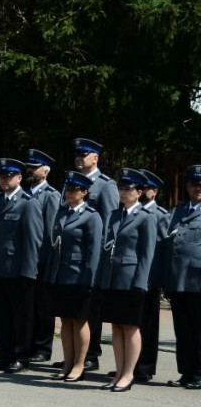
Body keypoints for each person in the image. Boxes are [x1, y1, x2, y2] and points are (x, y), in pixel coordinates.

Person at [96, 168, 156, 392]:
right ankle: (119, 371)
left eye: (128, 189)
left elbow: (146, 254)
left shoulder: (145, 218)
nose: (123, 192)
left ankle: (129, 374)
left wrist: (140, 283)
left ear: (139, 192)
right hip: (113, 279)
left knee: (130, 327)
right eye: (121, 188)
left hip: (131, 279)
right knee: (116, 327)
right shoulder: (114, 215)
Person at [0, 158, 43, 374]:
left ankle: (20, 356)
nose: (4, 179)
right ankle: (5, 354)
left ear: (19, 178)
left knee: (21, 317)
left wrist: (28, 271)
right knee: (1, 315)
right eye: (2, 176)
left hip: (19, 270)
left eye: (9, 176)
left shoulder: (28, 202)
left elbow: (33, 240)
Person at [43, 171, 102, 382]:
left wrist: (89, 279)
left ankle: (79, 364)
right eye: (68, 189)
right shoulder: (62, 214)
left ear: (84, 192)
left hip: (79, 276)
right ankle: (67, 362)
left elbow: (93, 251)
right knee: (65, 322)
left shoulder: (91, 216)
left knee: (79, 321)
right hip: (61, 275)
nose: (69, 193)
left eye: (74, 190)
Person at [71, 137, 119, 371]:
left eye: (84, 154)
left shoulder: (106, 185)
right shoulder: (72, 182)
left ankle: (91, 354)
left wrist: (101, 255)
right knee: (73, 307)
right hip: (71, 255)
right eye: (77, 154)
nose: (79, 158)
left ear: (95, 158)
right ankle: (75, 354)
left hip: (93, 255)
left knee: (91, 307)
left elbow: (109, 223)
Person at [164, 164, 201, 390]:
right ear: (187, 186)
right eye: (194, 184)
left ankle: (199, 373)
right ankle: (186, 372)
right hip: (178, 280)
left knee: (198, 330)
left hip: (198, 281)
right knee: (183, 330)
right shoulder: (178, 211)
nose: (198, 188)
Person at [25, 149, 61, 363]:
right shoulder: (24, 192)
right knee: (27, 306)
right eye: (28, 166)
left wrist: (45, 259)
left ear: (45, 171)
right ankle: (27, 344)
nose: (30, 170)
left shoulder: (51, 196)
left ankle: (42, 347)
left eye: (34, 167)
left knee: (43, 307)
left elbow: (49, 232)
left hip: (41, 259)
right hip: (24, 259)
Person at [136, 168, 170, 382]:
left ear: (154, 191)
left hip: (151, 277)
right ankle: (131, 364)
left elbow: (163, 249)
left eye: (146, 188)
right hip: (134, 276)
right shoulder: (132, 212)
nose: (143, 191)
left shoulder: (160, 215)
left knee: (148, 324)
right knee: (132, 322)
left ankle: (145, 367)